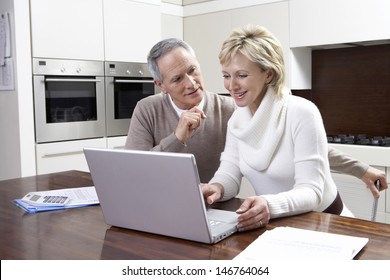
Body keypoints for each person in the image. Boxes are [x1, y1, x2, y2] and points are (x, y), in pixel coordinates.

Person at [125, 38, 387, 198]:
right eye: (177, 79)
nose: (191, 83)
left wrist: (360, 169)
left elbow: (304, 145)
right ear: (160, 85)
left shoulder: (233, 110)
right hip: (160, 206)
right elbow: (133, 172)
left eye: (193, 70)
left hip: (219, 207)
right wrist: (177, 137)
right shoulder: (147, 110)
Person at [201, 24, 354, 232]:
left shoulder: (302, 113)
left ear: (269, 74)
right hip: (278, 226)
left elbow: (312, 191)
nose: (231, 86)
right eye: (226, 76)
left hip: (326, 224)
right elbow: (229, 171)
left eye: (242, 75)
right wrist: (216, 187)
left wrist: (269, 205)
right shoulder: (237, 119)